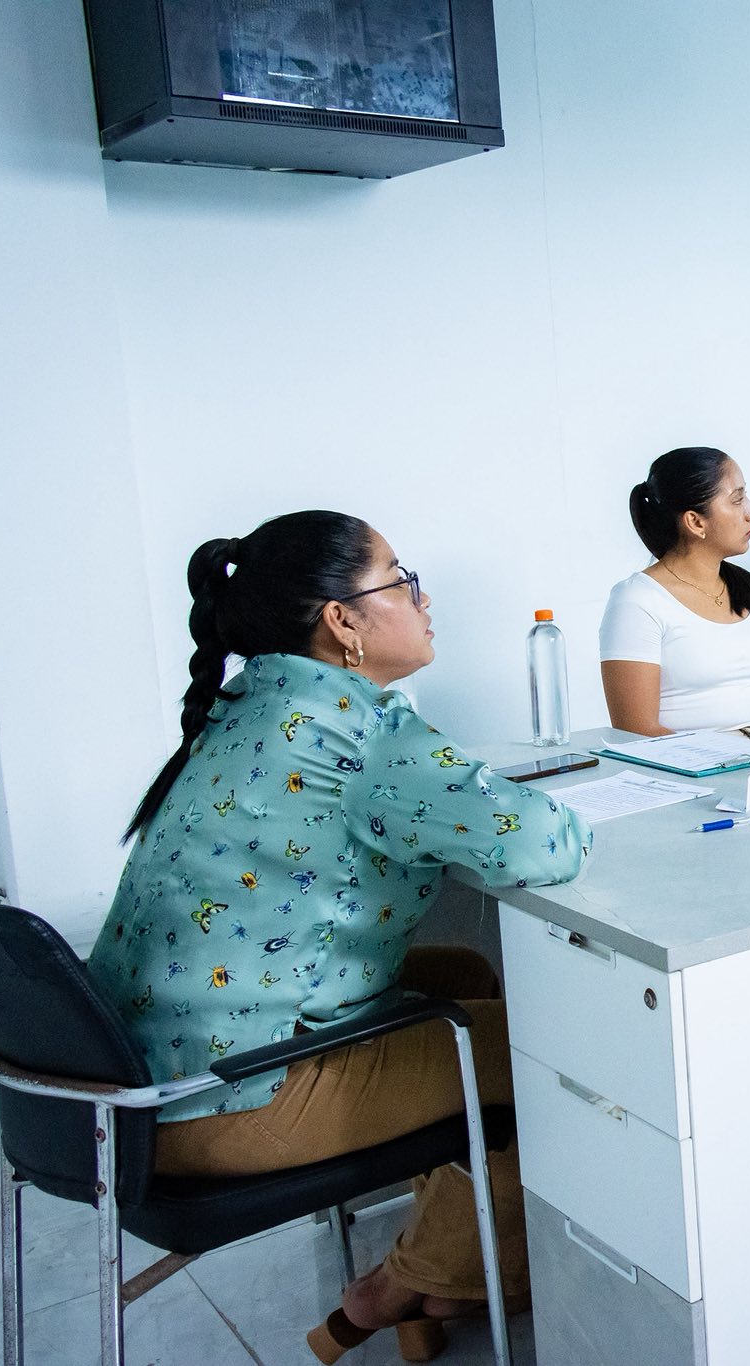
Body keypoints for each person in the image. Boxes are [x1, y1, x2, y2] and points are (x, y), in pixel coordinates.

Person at [85, 511, 591, 1365]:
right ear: (341, 620)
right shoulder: (358, 733)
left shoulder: (249, 706)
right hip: (228, 1100)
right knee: (550, 1059)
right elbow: (546, 842)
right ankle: (403, 1285)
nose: (423, 600)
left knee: (463, 973)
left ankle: (441, 1276)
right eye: (402, 580)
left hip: (138, 1079)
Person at [601, 447, 750, 737]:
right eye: (737, 499)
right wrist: (728, 761)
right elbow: (637, 729)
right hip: (689, 761)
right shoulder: (637, 600)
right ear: (695, 522)